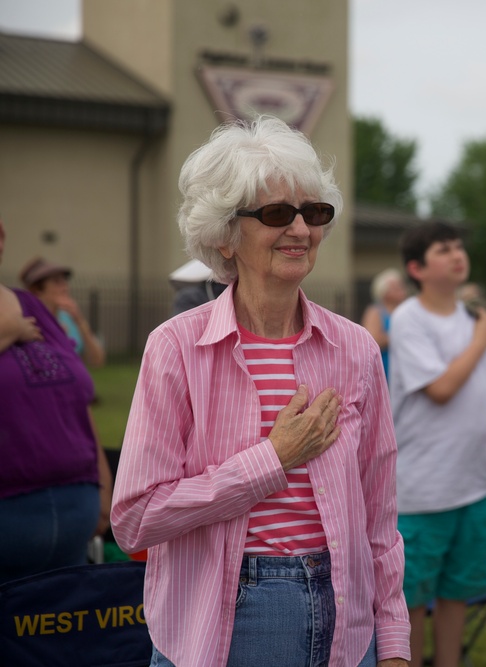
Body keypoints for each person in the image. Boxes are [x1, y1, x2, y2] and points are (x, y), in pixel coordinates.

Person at [110, 117, 409, 667]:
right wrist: (272, 459)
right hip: (233, 618)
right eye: (276, 214)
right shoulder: (176, 347)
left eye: (314, 213)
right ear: (225, 233)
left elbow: (378, 518)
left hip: (348, 616)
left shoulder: (356, 349)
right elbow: (134, 518)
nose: (301, 229)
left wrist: (392, 643)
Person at [388, 221, 486, 667]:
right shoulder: (409, 318)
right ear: (417, 267)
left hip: (473, 483)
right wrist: (483, 339)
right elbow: (441, 389)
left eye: (459, 246)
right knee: (413, 598)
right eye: (444, 249)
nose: (458, 254)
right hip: (424, 489)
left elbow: (481, 399)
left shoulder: (473, 319)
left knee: (458, 592)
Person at [0, 218, 112, 584]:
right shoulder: (21, 319)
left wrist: (103, 482)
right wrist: (10, 332)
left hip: (73, 522)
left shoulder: (34, 310)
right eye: (55, 282)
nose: (64, 287)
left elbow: (79, 397)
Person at [20, 256, 106, 368]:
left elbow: (97, 361)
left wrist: (79, 320)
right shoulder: (27, 319)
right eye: (56, 282)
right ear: (38, 289)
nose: (65, 286)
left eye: (64, 280)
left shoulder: (69, 318)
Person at [362, 267, 408, 378]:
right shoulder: (376, 311)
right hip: (384, 368)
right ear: (384, 291)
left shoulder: (406, 311)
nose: (402, 289)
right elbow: (372, 340)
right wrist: (402, 336)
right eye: (396, 287)